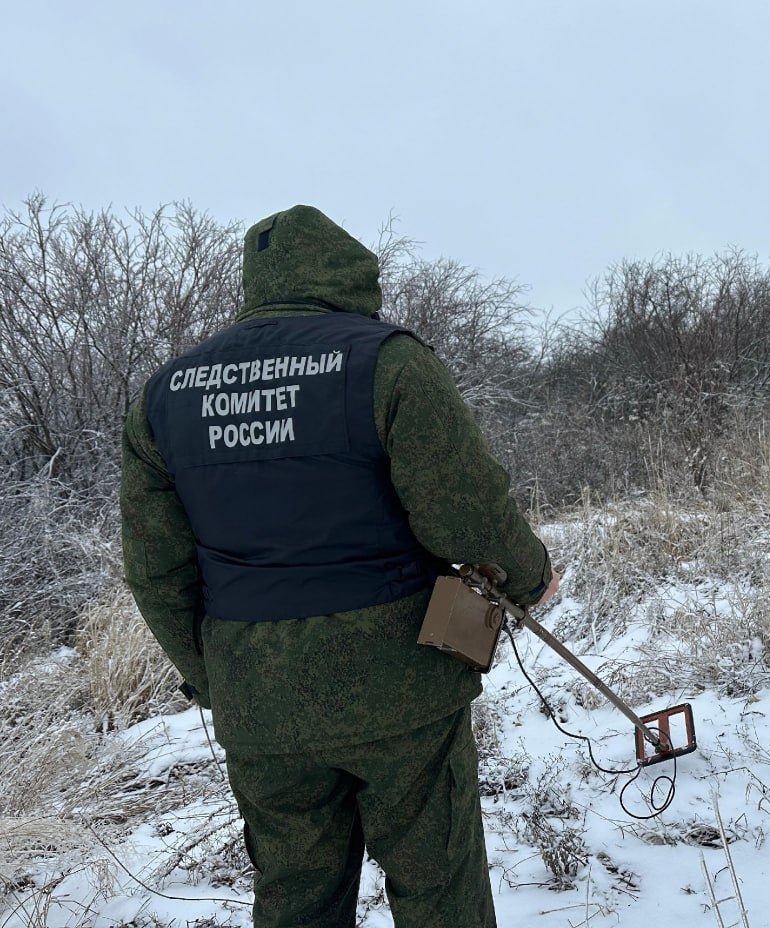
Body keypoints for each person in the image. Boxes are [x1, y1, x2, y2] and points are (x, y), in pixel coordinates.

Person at [120, 205, 558, 928]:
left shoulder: (166, 396)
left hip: (257, 699)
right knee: (439, 889)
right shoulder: (384, 360)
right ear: (351, 276)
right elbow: (466, 511)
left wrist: (213, 675)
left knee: (295, 898)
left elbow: (154, 570)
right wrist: (529, 578)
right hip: (403, 688)